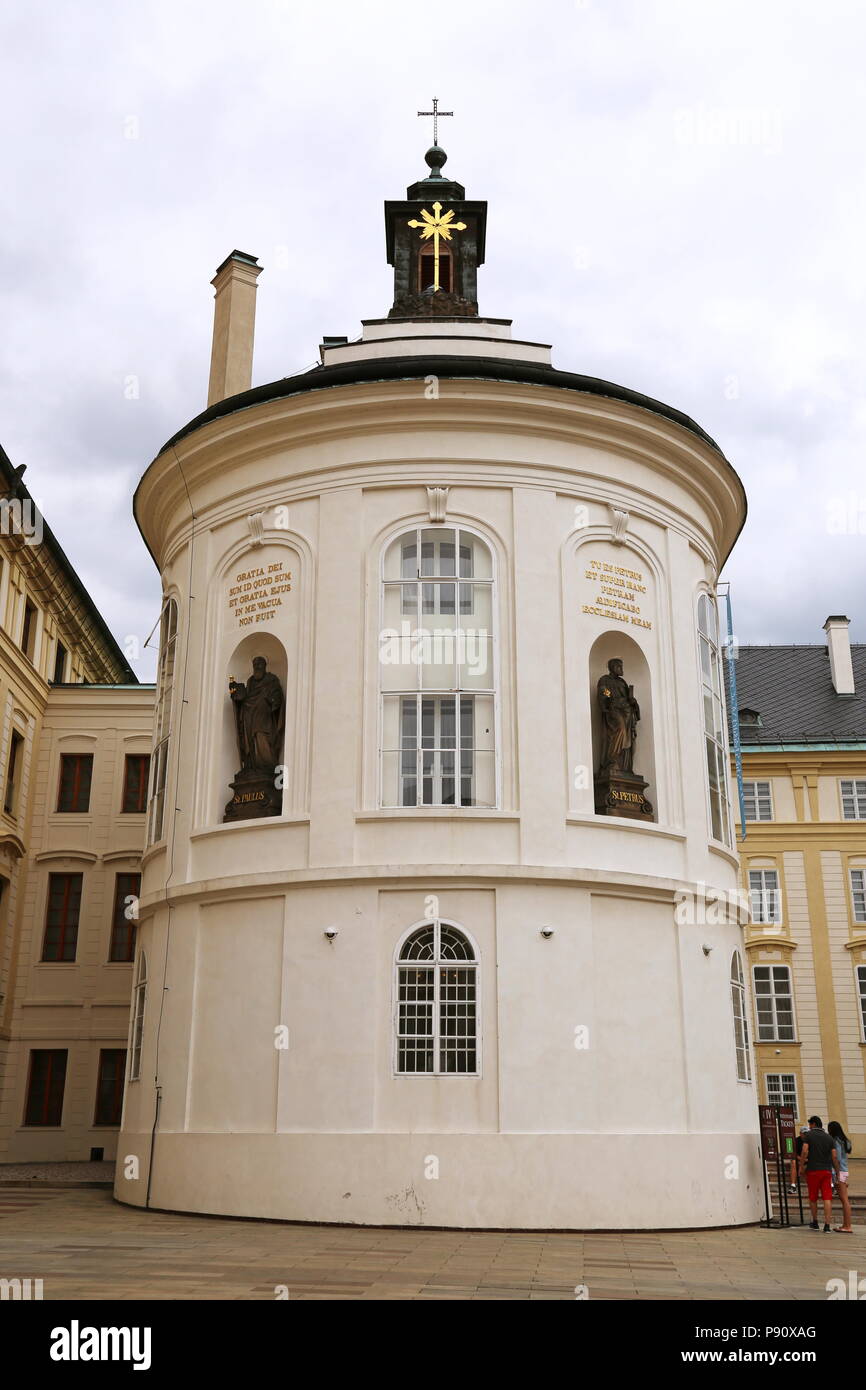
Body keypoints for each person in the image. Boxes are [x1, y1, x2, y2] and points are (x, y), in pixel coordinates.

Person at [799, 1115, 841, 1231]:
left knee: (813, 1198)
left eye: (810, 1124)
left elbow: (804, 1151)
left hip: (813, 1171)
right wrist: (837, 1172)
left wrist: (801, 1166)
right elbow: (834, 1156)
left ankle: (815, 1222)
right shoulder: (829, 1138)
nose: (809, 1127)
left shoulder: (809, 1136)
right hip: (826, 1171)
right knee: (827, 1198)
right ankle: (827, 1225)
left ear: (813, 1124)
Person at [827, 1121, 853, 1233]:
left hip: (840, 1171)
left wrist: (837, 1174)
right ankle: (845, 1225)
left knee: (844, 1200)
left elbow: (836, 1158)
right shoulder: (845, 1140)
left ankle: (847, 1226)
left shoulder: (836, 1141)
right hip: (844, 1170)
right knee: (844, 1200)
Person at [789, 1125, 809, 1192]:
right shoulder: (796, 1141)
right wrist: (801, 1159)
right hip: (799, 1160)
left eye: (807, 1133)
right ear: (800, 1133)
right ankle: (793, 1185)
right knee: (793, 1162)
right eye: (804, 1133)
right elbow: (793, 1154)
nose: (806, 1135)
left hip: (809, 1161)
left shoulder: (811, 1140)